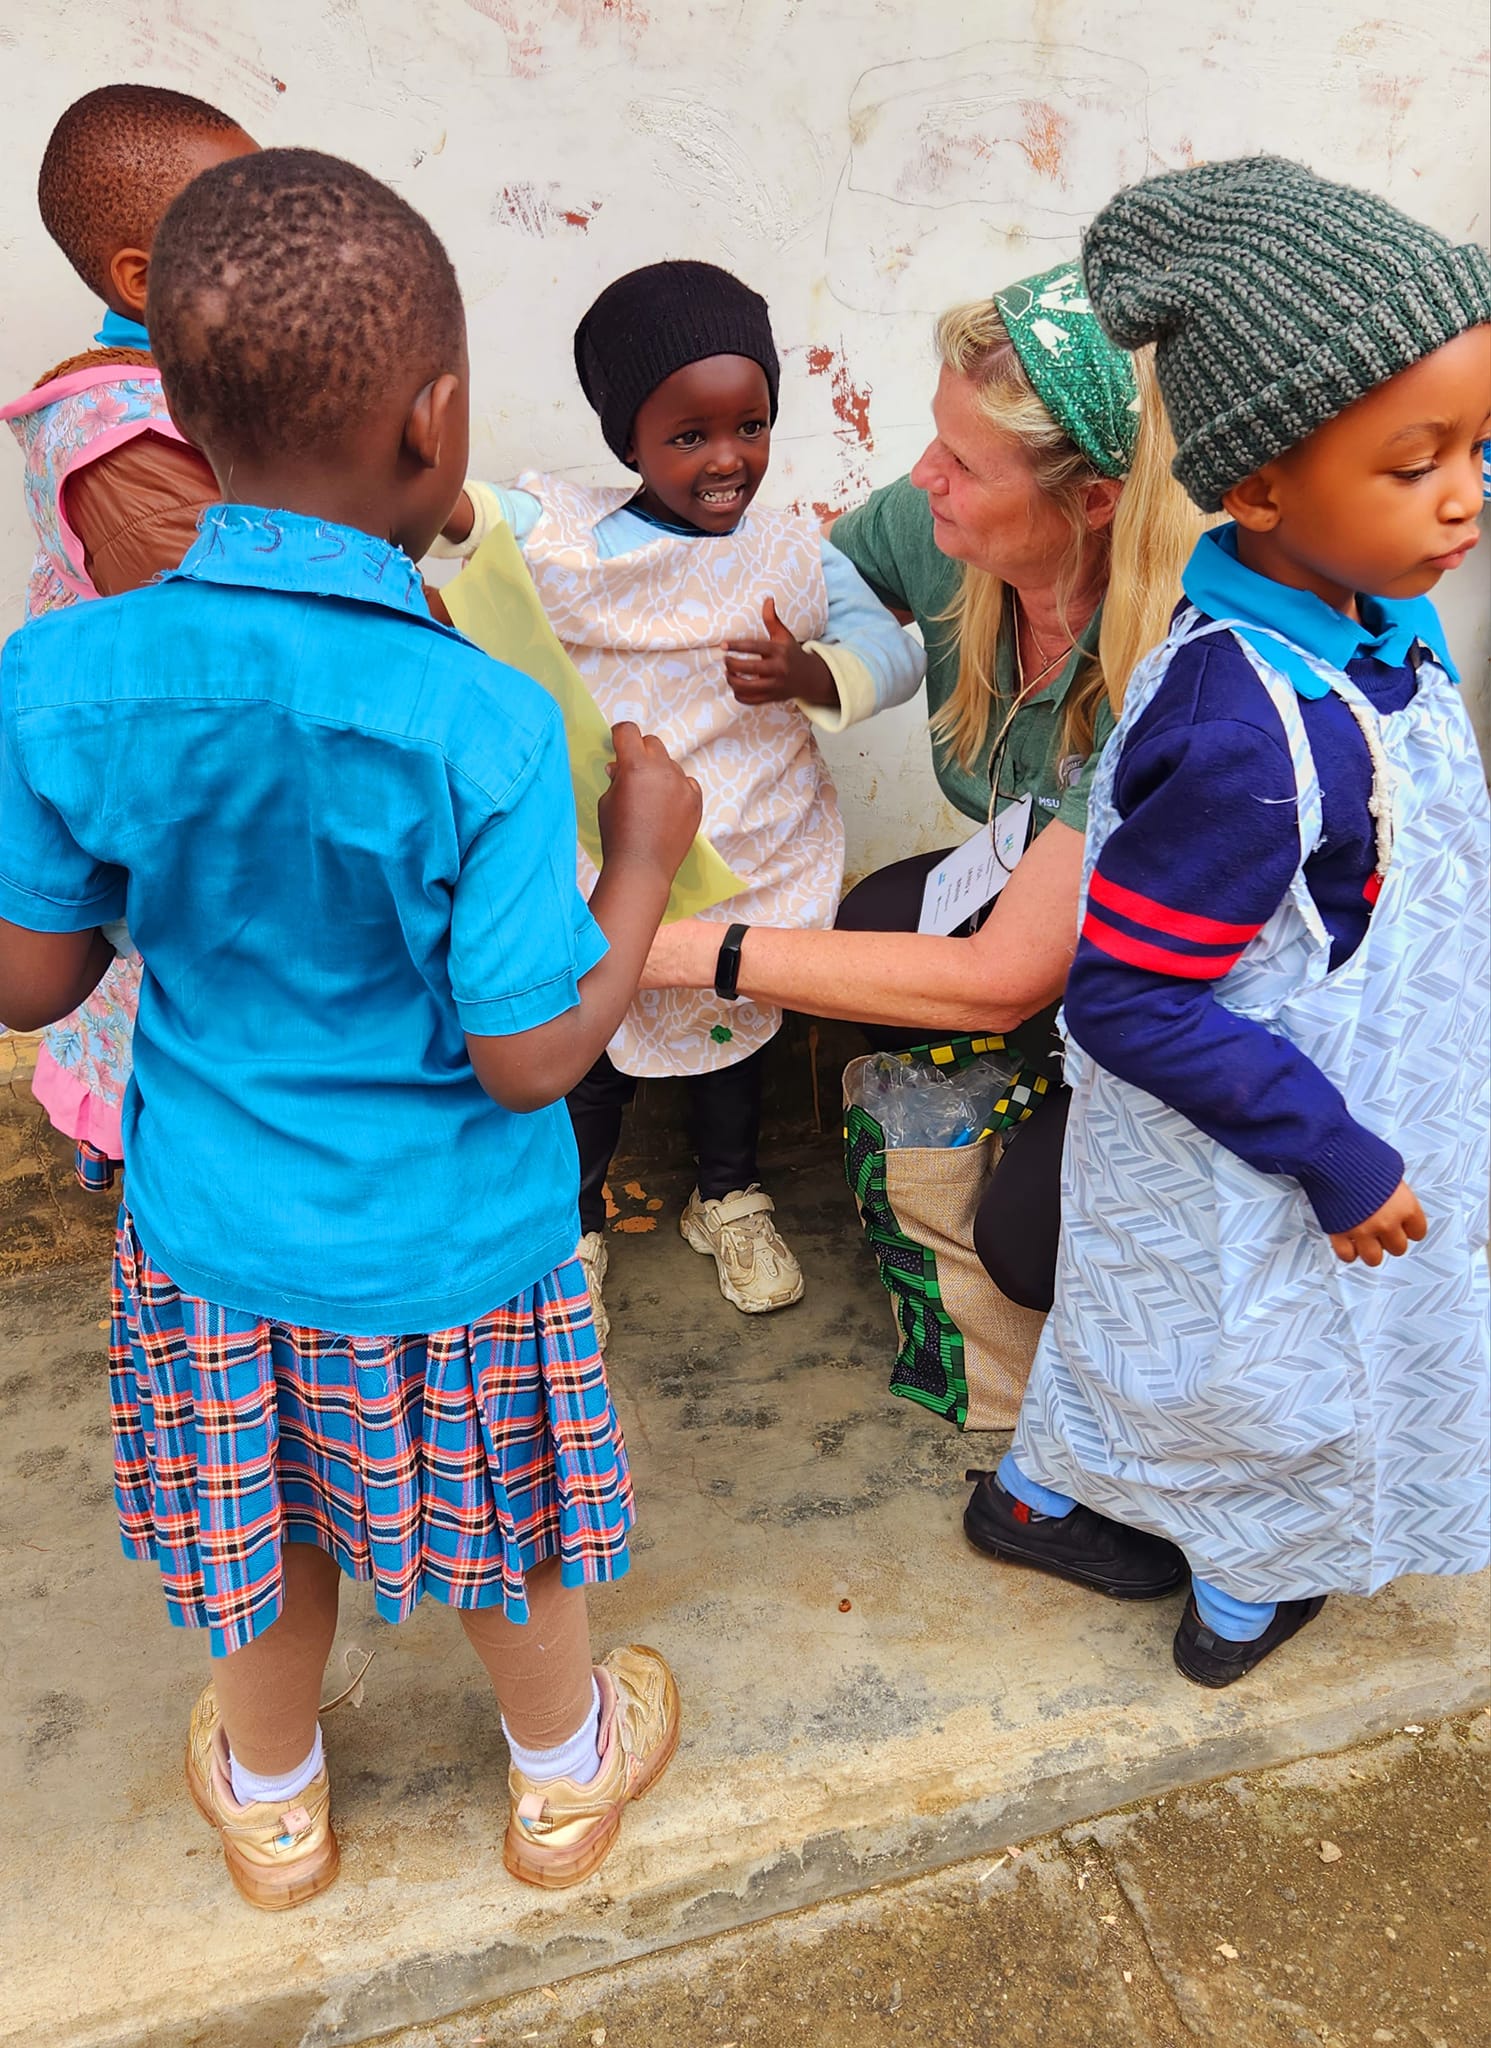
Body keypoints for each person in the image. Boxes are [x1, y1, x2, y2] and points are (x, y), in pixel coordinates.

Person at [0, 148, 703, 1906]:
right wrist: (640, 856)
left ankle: (276, 1795)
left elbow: (32, 986)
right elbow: (531, 1053)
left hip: (218, 1233)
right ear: (436, 421)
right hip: (458, 1241)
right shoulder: (477, 721)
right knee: (504, 1521)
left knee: (268, 1525)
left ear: (174, 401)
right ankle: (561, 1777)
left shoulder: (65, 678)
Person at [972, 156, 1491, 1685]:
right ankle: (1240, 1596)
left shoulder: (1373, 609)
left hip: (1304, 1111)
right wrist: (1328, 1152)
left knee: (1156, 1331)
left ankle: (1032, 1495)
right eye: (1414, 464)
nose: (1463, 496)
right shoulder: (1240, 725)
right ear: (1257, 486)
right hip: (1263, 1137)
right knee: (1271, 1378)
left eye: (1477, 445)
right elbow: (1126, 1000)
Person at [643, 261, 1202, 1314]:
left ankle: (1128, 1149)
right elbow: (771, 590)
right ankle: (1042, 1085)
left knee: (1026, 1248)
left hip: (1182, 987)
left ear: (1091, 498)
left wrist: (677, 948)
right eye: (934, 437)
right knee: (872, 925)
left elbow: (1002, 974)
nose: (921, 473)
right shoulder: (938, 535)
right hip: (1046, 904)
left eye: (963, 461)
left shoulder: (1171, 663)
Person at [435, 261, 924, 1339]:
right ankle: (572, 1220)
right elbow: (478, 520)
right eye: (688, 434)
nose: (727, 458)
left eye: (748, 425)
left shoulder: (798, 548)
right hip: (611, 848)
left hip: (751, 839)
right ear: (628, 443)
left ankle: (729, 1193)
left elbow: (892, 652)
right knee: (592, 1045)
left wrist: (813, 675)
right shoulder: (579, 540)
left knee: (731, 1033)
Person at [0, 84, 258, 1188]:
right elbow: (236, 655)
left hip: (228, 820)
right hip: (184, 849)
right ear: (142, 281)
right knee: (216, 1156)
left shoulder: (207, 382)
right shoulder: (120, 436)